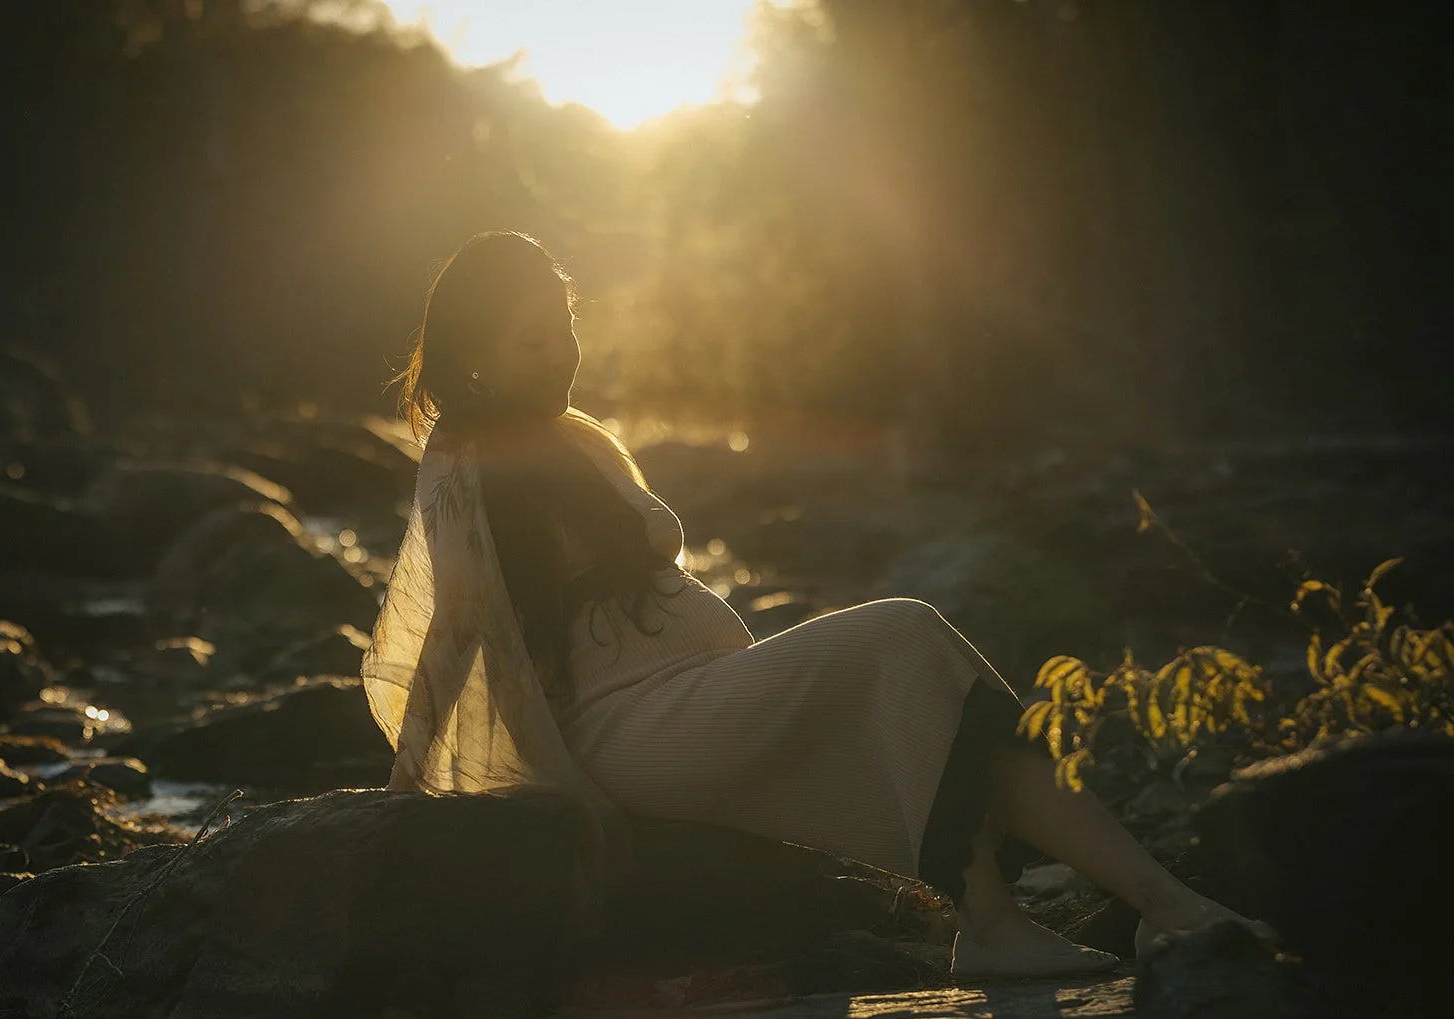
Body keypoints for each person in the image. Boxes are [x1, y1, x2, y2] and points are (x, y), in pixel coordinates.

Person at [362, 230, 1265, 979]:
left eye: (563, 324)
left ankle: (1163, 905)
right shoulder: (467, 459)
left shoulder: (577, 437)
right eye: (530, 339)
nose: (561, 349)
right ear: (478, 354)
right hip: (634, 729)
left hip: (701, 691)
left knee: (951, 701)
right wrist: (403, 785)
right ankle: (993, 922)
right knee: (903, 631)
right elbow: (460, 626)